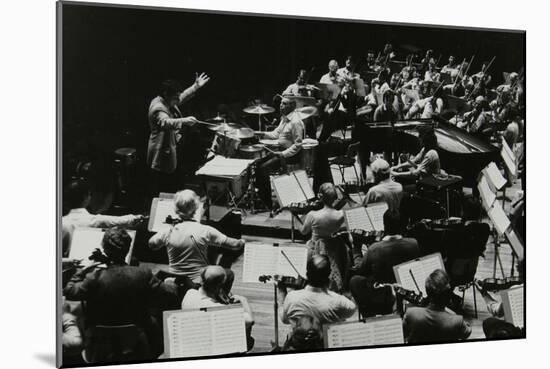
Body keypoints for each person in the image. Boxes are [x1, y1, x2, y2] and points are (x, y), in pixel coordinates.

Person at [64, 227, 178, 362]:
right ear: (128, 248)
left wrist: (85, 269)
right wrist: (171, 283)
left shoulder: (93, 278)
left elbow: (69, 291)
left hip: (98, 343)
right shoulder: (143, 274)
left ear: (104, 249)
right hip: (135, 340)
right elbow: (171, 294)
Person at [148, 189, 245, 286]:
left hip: (175, 282)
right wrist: (242, 242)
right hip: (197, 284)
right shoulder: (205, 230)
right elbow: (235, 245)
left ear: (176, 209)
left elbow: (152, 245)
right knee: (229, 273)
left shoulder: (168, 232)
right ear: (196, 208)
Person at [350, 210, 420, 317]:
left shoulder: (374, 249)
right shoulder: (414, 243)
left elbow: (359, 270)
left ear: (384, 225)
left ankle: (369, 313)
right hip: (405, 291)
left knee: (354, 280)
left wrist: (356, 248)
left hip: (383, 295)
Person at [147, 75, 210, 194]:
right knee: (165, 187)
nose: (178, 99)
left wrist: (195, 86)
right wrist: (185, 121)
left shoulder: (167, 100)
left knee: (175, 182)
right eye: (175, 96)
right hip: (161, 152)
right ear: (166, 94)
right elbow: (165, 122)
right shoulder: (158, 107)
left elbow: (181, 97)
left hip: (171, 147)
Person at [62, 179, 143, 256]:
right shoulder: (93, 220)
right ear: (86, 197)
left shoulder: (60, 222)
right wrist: (136, 217)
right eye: (90, 194)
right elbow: (117, 221)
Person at [182, 265, 255, 350]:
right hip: (212, 345)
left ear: (201, 280)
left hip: (194, 337)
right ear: (220, 286)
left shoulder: (189, 293)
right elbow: (250, 320)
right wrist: (244, 300)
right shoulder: (218, 309)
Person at [281, 255, 356, 334]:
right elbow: (351, 309)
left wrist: (282, 293)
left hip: (300, 344)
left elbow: (285, 320)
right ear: (328, 275)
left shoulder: (292, 297)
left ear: (307, 274)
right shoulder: (338, 301)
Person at [255, 97, 304, 207]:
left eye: (284, 104)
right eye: (281, 103)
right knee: (257, 164)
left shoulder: (295, 122)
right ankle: (261, 197)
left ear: (292, 106)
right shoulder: (284, 118)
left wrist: (283, 154)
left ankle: (267, 203)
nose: (281, 105)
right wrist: (261, 133)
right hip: (280, 151)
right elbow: (276, 134)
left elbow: (298, 145)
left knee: (263, 169)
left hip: (290, 155)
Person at [403, 269, 471, 343]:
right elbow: (467, 333)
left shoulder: (411, 313)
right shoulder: (457, 321)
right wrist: (452, 314)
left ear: (428, 293)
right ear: (448, 295)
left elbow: (404, 333)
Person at [300, 183, 347, 292]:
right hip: (334, 247)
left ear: (320, 197)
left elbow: (303, 231)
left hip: (315, 248)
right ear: (334, 197)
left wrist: (295, 217)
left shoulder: (312, 214)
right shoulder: (340, 214)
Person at [476, 258, 525, 339]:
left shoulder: (515, 290)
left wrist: (484, 294)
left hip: (517, 332)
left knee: (489, 322)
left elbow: (496, 311)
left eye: (520, 274)